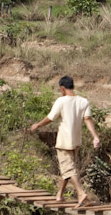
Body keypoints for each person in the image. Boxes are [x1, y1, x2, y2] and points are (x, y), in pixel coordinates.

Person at [30, 75, 100, 207]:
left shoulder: (61, 101)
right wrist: (95, 136)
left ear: (62, 88)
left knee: (68, 169)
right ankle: (59, 195)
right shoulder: (83, 101)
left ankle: (80, 193)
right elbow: (88, 119)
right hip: (75, 142)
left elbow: (51, 118)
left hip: (63, 141)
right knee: (68, 168)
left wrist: (37, 125)